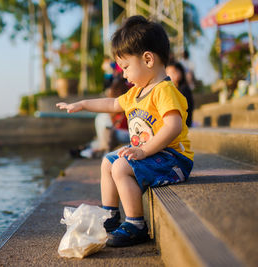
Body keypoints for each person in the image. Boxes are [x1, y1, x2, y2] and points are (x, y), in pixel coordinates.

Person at [56, 15, 194, 247]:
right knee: (108, 161)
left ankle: (136, 224)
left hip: (174, 160)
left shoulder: (164, 90)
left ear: (148, 59)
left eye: (126, 67)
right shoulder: (136, 92)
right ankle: (109, 215)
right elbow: (111, 104)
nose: (124, 74)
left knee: (121, 165)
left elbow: (173, 127)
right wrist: (82, 104)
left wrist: (144, 151)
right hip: (152, 155)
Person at [79, 78, 131, 159]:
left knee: (105, 124)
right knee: (103, 122)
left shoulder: (125, 100)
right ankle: (101, 149)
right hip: (119, 133)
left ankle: (103, 149)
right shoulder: (118, 103)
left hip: (127, 133)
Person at [166, 62, 194, 127]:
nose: (169, 76)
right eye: (167, 73)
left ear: (180, 73)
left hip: (183, 123)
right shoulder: (170, 89)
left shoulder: (184, 89)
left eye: (173, 72)